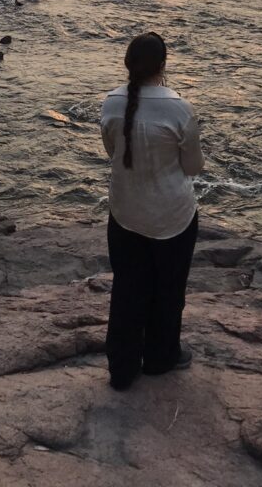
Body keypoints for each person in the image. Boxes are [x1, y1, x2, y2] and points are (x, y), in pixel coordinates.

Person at [100, 32, 205, 391]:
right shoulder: (179, 108)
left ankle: (122, 367)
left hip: (125, 211)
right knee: (168, 288)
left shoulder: (111, 103)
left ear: (128, 64)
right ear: (163, 66)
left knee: (127, 287)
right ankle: (161, 357)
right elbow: (192, 167)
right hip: (171, 216)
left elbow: (111, 152)